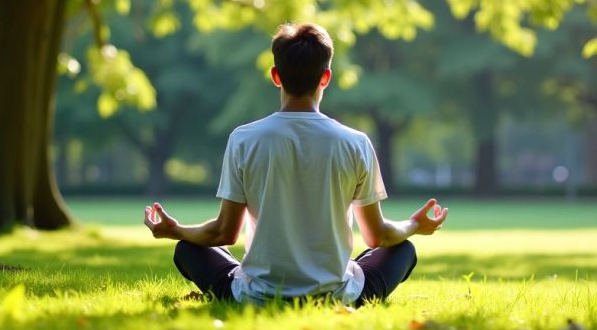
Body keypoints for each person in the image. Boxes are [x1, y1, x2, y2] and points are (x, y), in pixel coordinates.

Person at [142, 22, 448, 306]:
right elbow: (377, 236)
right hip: (336, 296)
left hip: (257, 296)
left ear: (276, 76)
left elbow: (224, 233)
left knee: (188, 249)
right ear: (326, 77)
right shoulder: (356, 143)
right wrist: (413, 225)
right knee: (402, 249)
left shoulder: (244, 139)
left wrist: (177, 230)